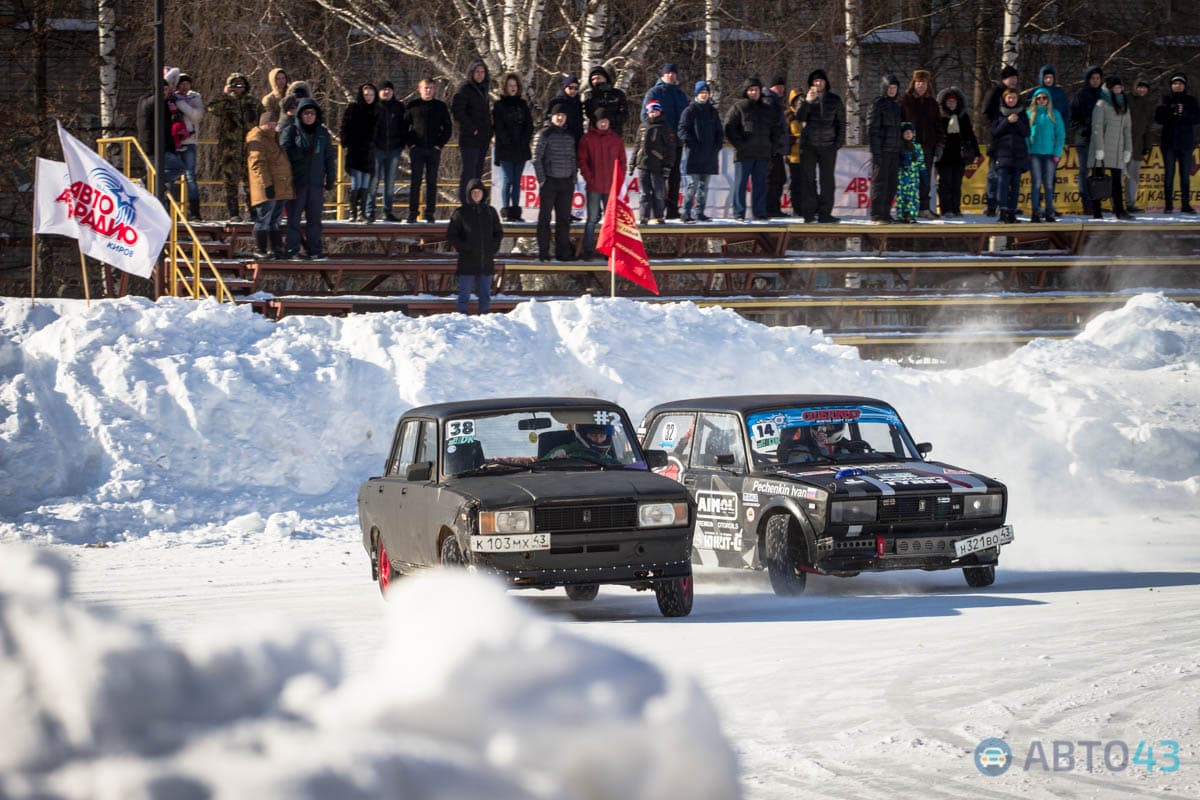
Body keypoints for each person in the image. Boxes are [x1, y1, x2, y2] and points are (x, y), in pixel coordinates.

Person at [280, 97, 336, 261]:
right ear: (300, 115)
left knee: (315, 219)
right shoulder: (291, 131)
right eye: (306, 113)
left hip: (316, 183)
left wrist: (330, 177)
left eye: (312, 113)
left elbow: (329, 156)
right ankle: (292, 250)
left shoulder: (322, 133)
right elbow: (283, 153)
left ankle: (314, 250)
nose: (309, 116)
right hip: (297, 182)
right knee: (294, 219)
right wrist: (301, 154)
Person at [206, 72, 263, 222]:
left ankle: (253, 213)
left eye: (241, 85)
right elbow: (212, 108)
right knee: (230, 182)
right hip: (230, 149)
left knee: (251, 182)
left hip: (250, 148)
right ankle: (234, 213)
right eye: (234, 85)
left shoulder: (253, 103)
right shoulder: (226, 102)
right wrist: (225, 95)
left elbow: (262, 121)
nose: (238, 88)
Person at [724, 76, 780, 221]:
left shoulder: (767, 109)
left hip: (762, 153)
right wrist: (740, 144)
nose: (753, 92)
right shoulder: (739, 107)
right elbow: (729, 128)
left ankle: (760, 213)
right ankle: (739, 213)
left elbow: (776, 130)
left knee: (760, 185)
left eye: (756, 90)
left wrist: (772, 147)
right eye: (750, 90)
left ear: (760, 91)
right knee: (740, 185)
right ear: (746, 92)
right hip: (744, 154)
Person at [446, 178, 504, 314]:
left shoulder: (490, 211)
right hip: (467, 260)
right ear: (469, 194)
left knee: (485, 296)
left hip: (486, 260)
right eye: (474, 192)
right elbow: (451, 234)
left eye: (479, 192)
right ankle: (461, 318)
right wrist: (464, 248)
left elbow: (498, 232)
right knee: (464, 296)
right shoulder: (461, 212)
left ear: (483, 193)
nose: (477, 194)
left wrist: (493, 248)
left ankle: (484, 319)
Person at [796, 68, 845, 223]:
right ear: (811, 83)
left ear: (826, 82)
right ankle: (809, 214)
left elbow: (841, 123)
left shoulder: (834, 99)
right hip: (809, 145)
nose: (818, 83)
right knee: (808, 180)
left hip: (828, 146)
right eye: (815, 81)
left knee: (827, 181)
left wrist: (837, 143)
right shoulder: (804, 98)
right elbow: (799, 117)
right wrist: (807, 102)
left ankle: (825, 213)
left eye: (821, 81)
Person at [642, 64, 689, 219]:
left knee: (675, 176)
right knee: (658, 179)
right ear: (662, 75)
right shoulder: (654, 92)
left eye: (673, 73)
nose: (671, 75)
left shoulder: (680, 94)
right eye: (668, 73)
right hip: (658, 145)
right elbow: (645, 117)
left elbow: (687, 117)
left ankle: (673, 210)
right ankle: (657, 211)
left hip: (676, 143)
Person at [245, 111, 295, 259]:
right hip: (267, 187)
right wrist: (267, 185)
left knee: (275, 220)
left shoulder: (273, 138)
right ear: (263, 124)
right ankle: (260, 249)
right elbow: (258, 165)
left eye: (274, 124)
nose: (273, 126)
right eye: (270, 124)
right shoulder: (258, 138)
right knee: (264, 219)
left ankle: (276, 248)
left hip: (280, 186)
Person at [577, 108, 626, 257]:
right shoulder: (587, 139)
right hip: (594, 186)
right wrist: (589, 178)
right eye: (601, 121)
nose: (603, 123)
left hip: (611, 186)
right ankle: (588, 250)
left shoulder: (616, 139)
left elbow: (622, 161)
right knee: (591, 219)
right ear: (596, 122)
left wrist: (619, 180)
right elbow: (582, 161)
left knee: (610, 220)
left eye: (606, 121)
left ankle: (609, 249)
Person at [532, 102, 578, 261]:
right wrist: (542, 180)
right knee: (545, 218)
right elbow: (536, 158)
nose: (560, 118)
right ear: (552, 116)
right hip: (550, 181)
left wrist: (573, 177)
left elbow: (573, 158)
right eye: (557, 115)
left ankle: (563, 252)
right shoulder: (544, 134)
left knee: (564, 219)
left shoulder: (569, 135)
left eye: (563, 116)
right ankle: (543, 251)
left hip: (566, 182)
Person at [404, 78, 453, 223]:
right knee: (415, 181)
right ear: (419, 89)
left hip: (433, 150)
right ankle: (413, 213)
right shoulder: (413, 105)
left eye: (431, 88)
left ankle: (430, 213)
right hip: (417, 149)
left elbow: (448, 128)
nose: (428, 90)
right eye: (425, 88)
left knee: (432, 182)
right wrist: (411, 144)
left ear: (434, 89)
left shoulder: (440, 106)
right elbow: (404, 127)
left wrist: (439, 145)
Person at [677, 81, 723, 223]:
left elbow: (719, 131)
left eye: (706, 93)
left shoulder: (712, 111)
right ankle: (686, 212)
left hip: (709, 154)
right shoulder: (690, 110)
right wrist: (692, 144)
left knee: (704, 186)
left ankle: (700, 212)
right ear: (697, 94)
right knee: (693, 185)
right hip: (695, 154)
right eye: (701, 92)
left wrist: (717, 146)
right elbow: (682, 130)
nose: (704, 95)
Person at [900, 68, 943, 219]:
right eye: (918, 83)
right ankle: (907, 210)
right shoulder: (905, 100)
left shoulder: (932, 103)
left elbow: (938, 125)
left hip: (927, 145)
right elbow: (900, 122)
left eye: (924, 83)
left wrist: (939, 144)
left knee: (925, 179)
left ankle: (924, 208)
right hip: (909, 145)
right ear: (914, 84)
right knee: (909, 179)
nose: (921, 86)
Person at [1089, 76, 1133, 220]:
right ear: (1109, 88)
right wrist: (1099, 149)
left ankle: (1119, 210)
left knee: (1116, 182)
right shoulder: (1101, 104)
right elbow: (1097, 127)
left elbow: (1127, 129)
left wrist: (1128, 149)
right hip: (1101, 149)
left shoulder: (1124, 105)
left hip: (1117, 149)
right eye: (1115, 87)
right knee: (1098, 180)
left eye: (1120, 87)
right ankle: (1097, 211)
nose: (1118, 90)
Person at [1155, 73, 1200, 214]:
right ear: (1171, 86)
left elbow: (1197, 118)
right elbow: (1158, 118)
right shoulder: (1165, 99)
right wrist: (1171, 112)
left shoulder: (1191, 100)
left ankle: (1185, 204)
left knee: (1185, 175)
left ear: (1184, 85)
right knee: (1169, 174)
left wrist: (1184, 113)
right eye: (1175, 83)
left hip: (1186, 143)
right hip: (1168, 143)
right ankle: (1168, 205)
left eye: (1180, 83)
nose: (1177, 86)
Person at [137, 79, 186, 206]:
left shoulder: (164, 104)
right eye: (163, 90)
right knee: (174, 171)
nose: (166, 92)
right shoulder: (147, 101)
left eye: (167, 89)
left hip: (163, 148)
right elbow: (150, 103)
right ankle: (147, 182)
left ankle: (151, 184)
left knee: (175, 171)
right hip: (151, 147)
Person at [492, 72, 534, 222]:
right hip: (505, 149)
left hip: (521, 149)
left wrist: (524, 140)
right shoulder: (499, 105)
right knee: (508, 179)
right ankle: (506, 209)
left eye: (515, 85)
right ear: (505, 87)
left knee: (517, 181)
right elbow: (499, 127)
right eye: (510, 86)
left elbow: (529, 125)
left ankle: (516, 210)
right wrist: (509, 141)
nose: (513, 88)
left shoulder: (522, 104)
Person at [452, 60, 493, 203]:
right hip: (470, 138)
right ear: (471, 73)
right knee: (468, 172)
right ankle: (464, 201)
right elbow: (458, 111)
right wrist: (472, 128)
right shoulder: (464, 88)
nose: (480, 75)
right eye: (477, 72)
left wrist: (489, 131)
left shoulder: (484, 89)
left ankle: (475, 201)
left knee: (477, 174)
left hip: (483, 138)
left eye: (482, 72)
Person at [982, 65, 1021, 216]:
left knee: (1009, 176)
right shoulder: (995, 92)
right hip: (996, 137)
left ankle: (1006, 204)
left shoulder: (1014, 94)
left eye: (1016, 78)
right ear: (1004, 79)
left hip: (1012, 141)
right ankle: (991, 204)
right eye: (1012, 78)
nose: (1014, 81)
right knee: (994, 173)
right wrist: (995, 127)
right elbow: (985, 113)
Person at [935, 86, 979, 218]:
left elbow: (970, 135)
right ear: (944, 103)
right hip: (944, 156)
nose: (951, 104)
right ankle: (945, 208)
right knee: (945, 183)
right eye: (949, 102)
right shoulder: (940, 117)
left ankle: (956, 208)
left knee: (956, 184)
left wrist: (976, 152)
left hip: (959, 155)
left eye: (954, 102)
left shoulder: (963, 117)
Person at [338, 83, 378, 222]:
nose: (368, 97)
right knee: (356, 182)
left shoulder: (377, 110)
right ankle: (353, 212)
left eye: (371, 95)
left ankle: (362, 212)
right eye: (366, 94)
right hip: (355, 151)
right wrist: (345, 142)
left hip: (369, 153)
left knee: (366, 183)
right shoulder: (353, 108)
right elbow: (344, 127)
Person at [369, 81, 408, 222]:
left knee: (390, 183)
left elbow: (404, 126)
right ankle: (370, 211)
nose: (386, 92)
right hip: (377, 150)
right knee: (373, 181)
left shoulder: (399, 107)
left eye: (389, 89)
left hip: (394, 149)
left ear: (393, 91)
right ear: (379, 92)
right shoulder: (374, 107)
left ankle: (387, 212)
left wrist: (401, 144)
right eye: (383, 89)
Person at [632, 100, 676, 225]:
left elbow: (670, 149)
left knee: (658, 192)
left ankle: (659, 216)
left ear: (660, 112)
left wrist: (668, 165)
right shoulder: (643, 126)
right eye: (651, 111)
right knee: (644, 193)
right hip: (643, 164)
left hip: (658, 165)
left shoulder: (665, 127)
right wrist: (633, 162)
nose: (654, 113)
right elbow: (637, 145)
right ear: (648, 112)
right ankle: (644, 216)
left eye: (656, 111)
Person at [1025, 88, 1066, 222]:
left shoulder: (1054, 114)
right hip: (1035, 153)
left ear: (1048, 100)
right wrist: (1028, 150)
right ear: (1035, 100)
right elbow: (1025, 135)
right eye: (1039, 98)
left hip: (1050, 154)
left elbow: (1061, 135)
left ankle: (1049, 211)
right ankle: (1035, 212)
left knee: (1048, 184)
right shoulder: (1029, 114)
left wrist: (1057, 153)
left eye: (1044, 98)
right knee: (1036, 183)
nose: (1041, 100)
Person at [867, 74, 902, 224]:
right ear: (884, 88)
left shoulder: (896, 106)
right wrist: (876, 151)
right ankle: (876, 214)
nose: (893, 90)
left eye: (895, 88)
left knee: (891, 184)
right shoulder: (878, 104)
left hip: (894, 150)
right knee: (880, 183)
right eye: (890, 88)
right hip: (882, 151)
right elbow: (872, 129)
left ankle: (886, 213)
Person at [1069, 65, 1105, 215]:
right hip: (1084, 139)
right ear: (1088, 80)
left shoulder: (1105, 95)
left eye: (1098, 78)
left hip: (1101, 140)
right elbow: (1071, 119)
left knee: (1099, 173)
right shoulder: (1080, 95)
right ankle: (1087, 203)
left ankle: (1097, 202)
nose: (1095, 81)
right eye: (1093, 78)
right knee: (1084, 171)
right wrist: (1083, 128)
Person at [992, 88, 1030, 224]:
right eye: (1009, 98)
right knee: (1002, 183)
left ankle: (1012, 212)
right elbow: (995, 132)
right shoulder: (999, 113)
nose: (1011, 100)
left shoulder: (1023, 114)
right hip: (1003, 154)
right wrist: (1007, 121)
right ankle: (1002, 211)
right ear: (1004, 99)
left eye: (1014, 98)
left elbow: (1026, 132)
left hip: (1018, 155)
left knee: (1015, 185)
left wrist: (1017, 121)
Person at [172, 72, 204, 220]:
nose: (185, 87)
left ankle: (195, 212)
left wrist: (181, 104)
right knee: (171, 176)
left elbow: (197, 116)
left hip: (190, 141)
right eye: (181, 84)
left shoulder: (194, 97)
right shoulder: (172, 97)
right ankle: (171, 210)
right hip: (174, 141)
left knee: (190, 176)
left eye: (187, 84)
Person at [1125, 79, 1155, 213]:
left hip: (1138, 146)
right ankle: (1116, 205)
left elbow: (1149, 127)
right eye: (1140, 87)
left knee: (1133, 177)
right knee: (1118, 177)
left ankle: (1130, 204)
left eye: (1145, 87)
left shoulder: (1148, 104)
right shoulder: (1126, 99)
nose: (1142, 90)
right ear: (1135, 87)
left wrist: (1147, 145)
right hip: (1122, 145)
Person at [763, 76, 789, 216]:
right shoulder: (769, 101)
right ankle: (770, 208)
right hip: (772, 148)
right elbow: (772, 125)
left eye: (783, 88)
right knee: (774, 179)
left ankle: (773, 208)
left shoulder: (774, 101)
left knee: (778, 178)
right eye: (779, 87)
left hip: (776, 147)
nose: (781, 90)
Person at [896, 122, 927, 224]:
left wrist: (923, 175)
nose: (908, 134)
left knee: (913, 197)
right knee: (901, 197)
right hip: (902, 177)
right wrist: (901, 162)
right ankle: (902, 215)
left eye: (910, 132)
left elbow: (921, 162)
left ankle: (911, 215)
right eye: (906, 133)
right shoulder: (899, 146)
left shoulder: (917, 147)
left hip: (913, 178)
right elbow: (895, 161)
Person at [584, 66, 628, 136]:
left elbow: (624, 114)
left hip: (614, 133)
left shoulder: (617, 94)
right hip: (595, 134)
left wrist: (609, 119)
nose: (595, 81)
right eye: (593, 79)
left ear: (605, 78)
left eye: (598, 78)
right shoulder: (589, 95)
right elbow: (589, 114)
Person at [543, 424, 619, 462]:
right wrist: (553, 461)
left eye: (602, 436)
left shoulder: (607, 459)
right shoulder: (564, 451)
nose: (598, 440)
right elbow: (540, 465)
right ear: (583, 435)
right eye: (593, 435)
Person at [546, 75, 585, 143]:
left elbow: (580, 123)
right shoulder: (557, 101)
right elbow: (548, 120)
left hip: (576, 138)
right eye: (570, 87)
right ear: (564, 87)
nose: (573, 90)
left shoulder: (578, 103)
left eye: (576, 88)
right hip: (559, 139)